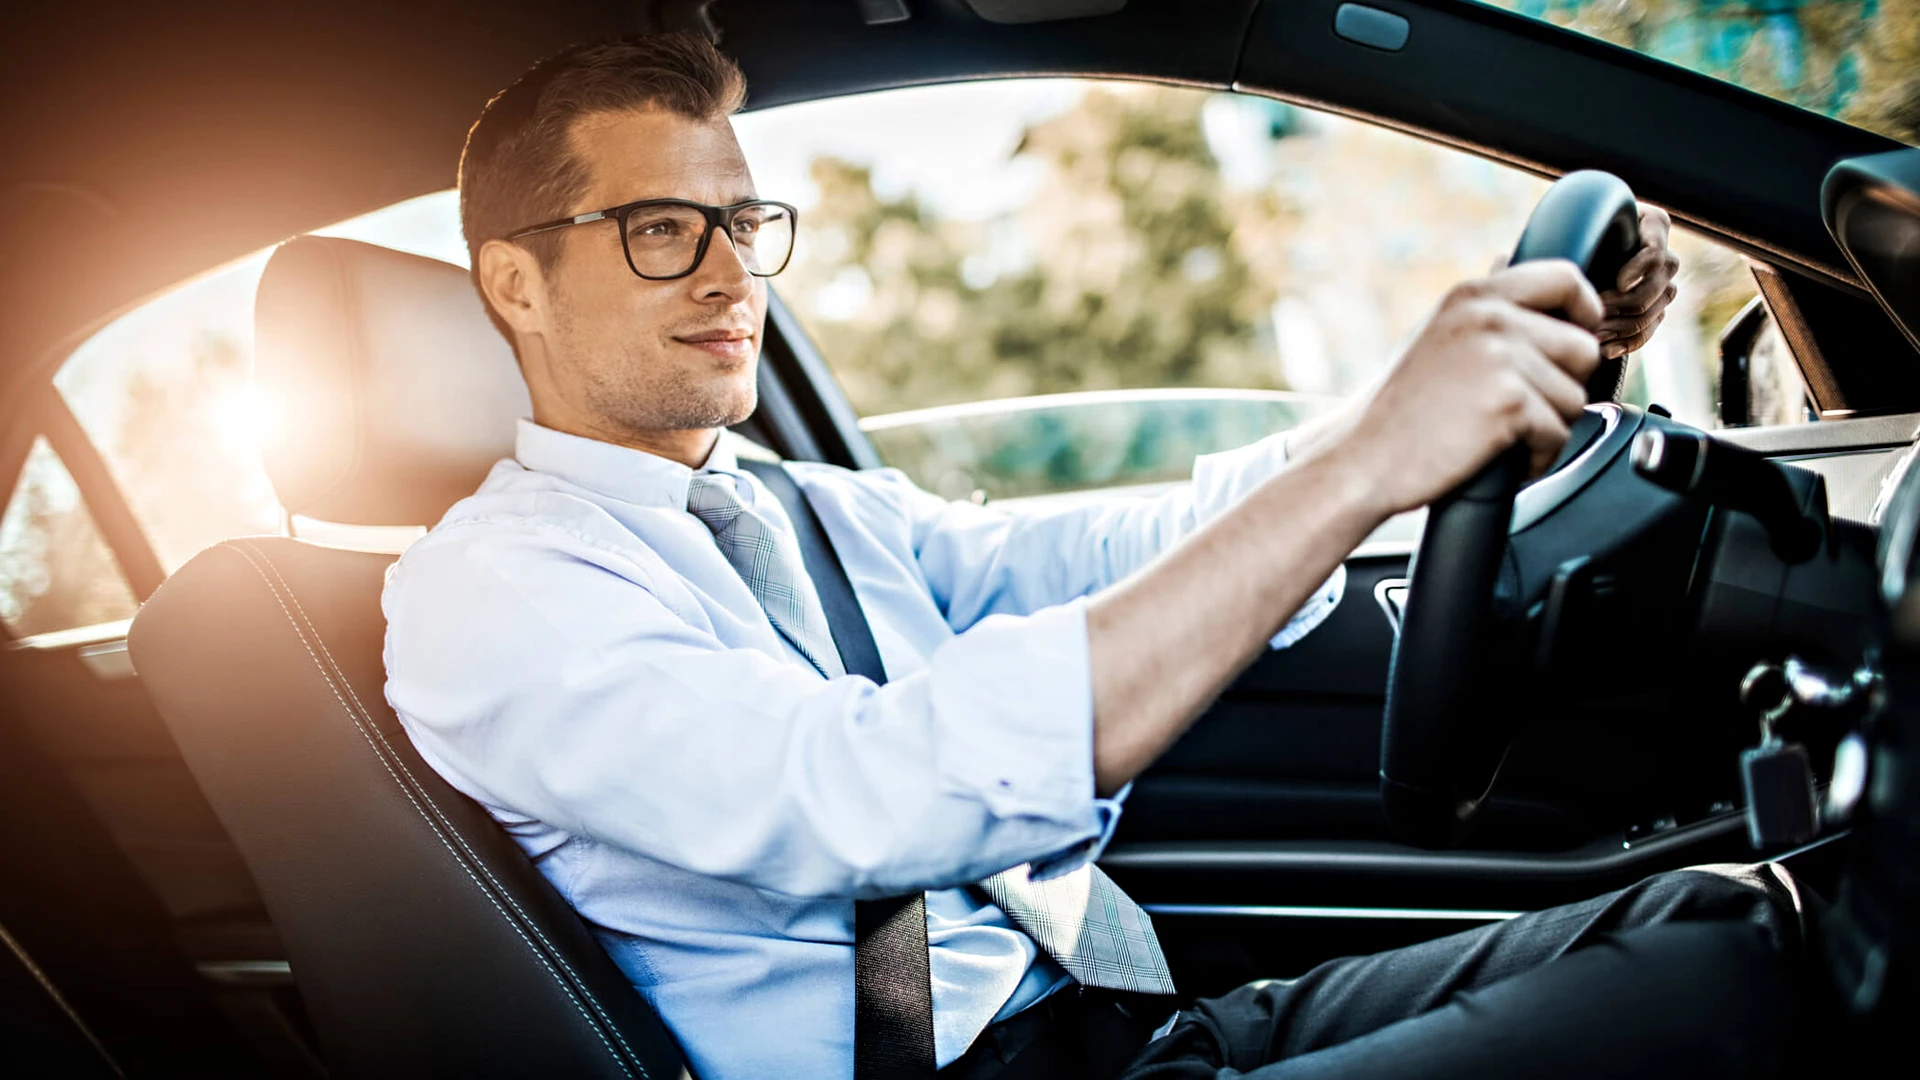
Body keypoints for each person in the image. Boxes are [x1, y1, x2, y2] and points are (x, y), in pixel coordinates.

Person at [382, 32, 1805, 1080]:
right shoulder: (487, 596)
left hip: (1122, 1029)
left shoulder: (812, 509)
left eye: (744, 223)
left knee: (1721, 919)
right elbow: (858, 789)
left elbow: (1124, 546)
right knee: (1725, 996)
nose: (730, 271)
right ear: (517, 280)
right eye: (658, 230)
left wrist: (1457, 388)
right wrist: (1379, 458)